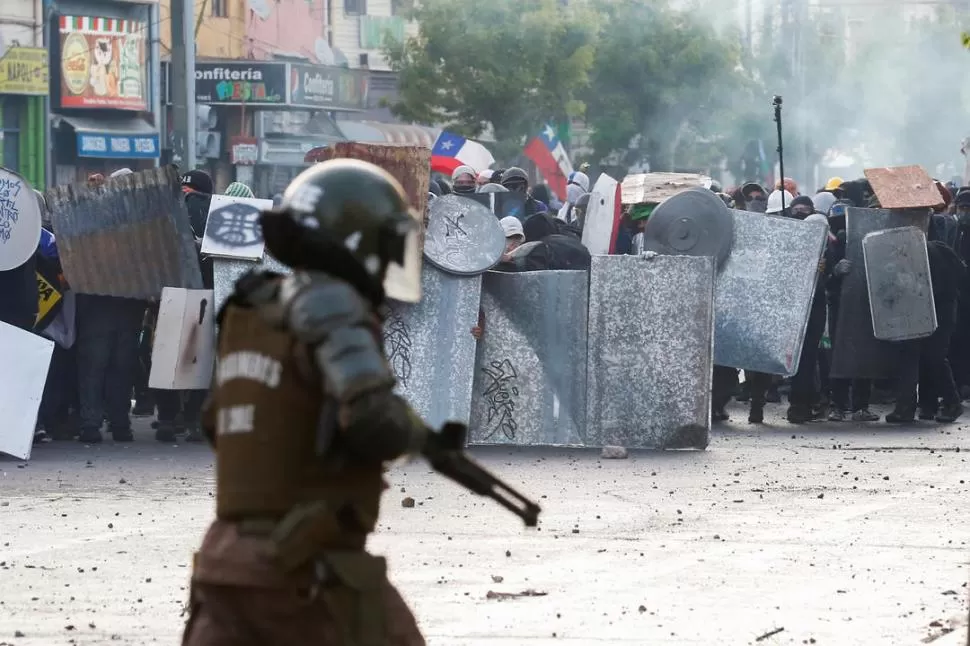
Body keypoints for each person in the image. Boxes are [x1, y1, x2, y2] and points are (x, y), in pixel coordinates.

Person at [181, 159, 434, 646]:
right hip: (300, 572)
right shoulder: (336, 308)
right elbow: (372, 420)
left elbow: (218, 422)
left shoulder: (251, 311)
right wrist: (422, 437)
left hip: (221, 568)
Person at [74, 169, 148, 443]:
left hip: (102, 302)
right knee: (118, 364)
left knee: (102, 364)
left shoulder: (105, 218)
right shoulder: (139, 220)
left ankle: (95, 424)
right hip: (121, 302)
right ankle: (115, 424)